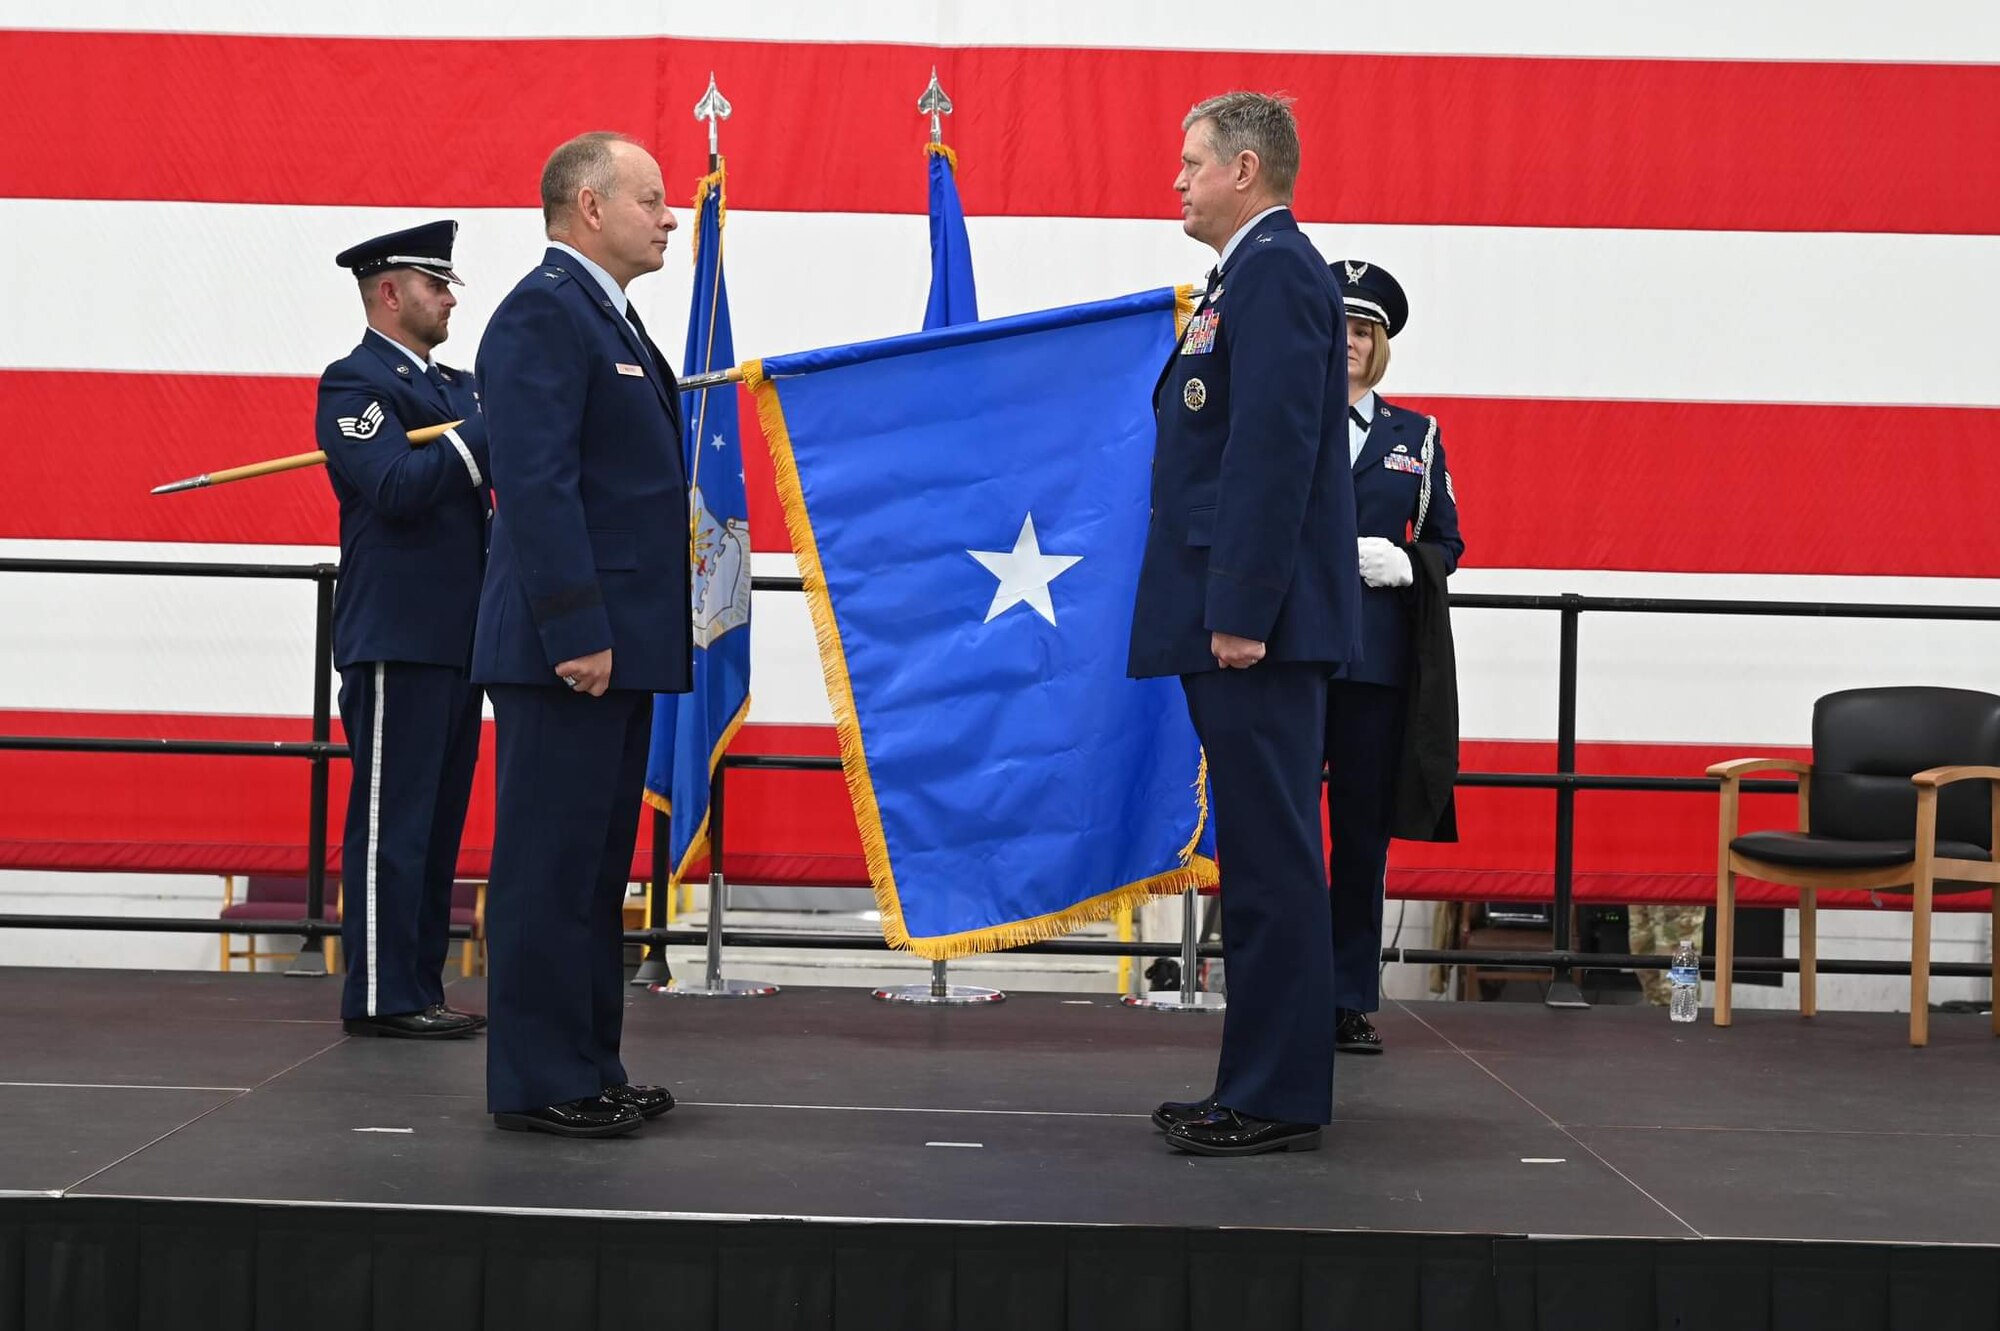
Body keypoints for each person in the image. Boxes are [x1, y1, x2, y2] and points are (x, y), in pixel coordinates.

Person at [1129, 92, 1362, 1157]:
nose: (1174, 180)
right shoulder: (1248, 273)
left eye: (1189, 164)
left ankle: (1272, 1093)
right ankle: (1255, 1080)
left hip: (1254, 624)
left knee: (1270, 863)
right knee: (1260, 861)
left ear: (1244, 169)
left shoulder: (1274, 271)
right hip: (1244, 614)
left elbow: (1268, 453)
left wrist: (1238, 609)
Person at [473, 132, 692, 1138]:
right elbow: (538, 486)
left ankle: (590, 1060)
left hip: (620, 641)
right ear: (588, 206)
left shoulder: (609, 317)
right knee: (546, 867)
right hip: (570, 647)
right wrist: (576, 628)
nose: (670, 214)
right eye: (651, 198)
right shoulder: (539, 314)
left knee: (596, 870)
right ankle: (535, 1076)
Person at [318, 220, 490, 1041]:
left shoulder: (458, 388)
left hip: (461, 637)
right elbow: (393, 484)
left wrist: (485, 422)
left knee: (437, 824)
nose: (450, 297)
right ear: (390, 292)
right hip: (396, 634)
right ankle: (383, 993)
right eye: (436, 284)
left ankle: (420, 984)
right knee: (393, 823)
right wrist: (486, 436)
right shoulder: (353, 385)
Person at [1324, 260, 1464, 1055]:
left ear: (1380, 344)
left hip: (1374, 663)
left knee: (1362, 835)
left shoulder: (1417, 437)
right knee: (1282, 834)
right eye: (1338, 326)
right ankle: (1280, 985)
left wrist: (1410, 565)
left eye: (1363, 330)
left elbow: (1448, 539)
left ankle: (1348, 996)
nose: (1348, 340)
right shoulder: (1290, 419)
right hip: (1292, 655)